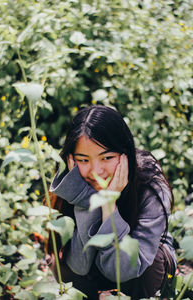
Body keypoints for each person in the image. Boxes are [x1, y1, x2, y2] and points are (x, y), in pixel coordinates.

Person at [46, 105, 177, 299]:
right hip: (94, 265)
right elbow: (78, 267)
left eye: (107, 157)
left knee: (143, 275)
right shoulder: (75, 181)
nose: (96, 171)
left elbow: (123, 270)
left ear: (125, 154)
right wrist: (84, 199)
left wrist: (109, 205)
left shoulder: (150, 184)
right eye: (83, 160)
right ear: (71, 160)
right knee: (63, 268)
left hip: (140, 267)